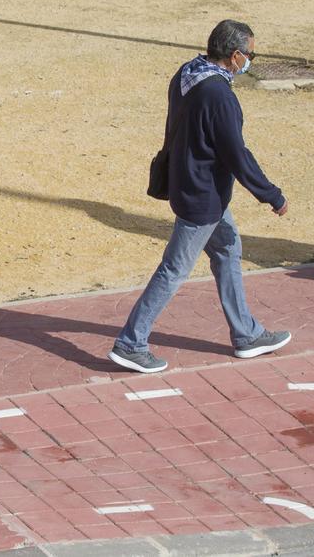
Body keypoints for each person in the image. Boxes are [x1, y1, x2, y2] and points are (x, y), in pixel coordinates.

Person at [108, 20, 292, 374]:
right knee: (174, 269)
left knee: (227, 250)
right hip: (203, 196)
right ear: (235, 55)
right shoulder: (220, 96)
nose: (250, 60)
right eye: (250, 54)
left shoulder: (187, 72)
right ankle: (131, 342)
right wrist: (272, 195)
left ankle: (247, 334)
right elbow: (237, 155)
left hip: (191, 183)